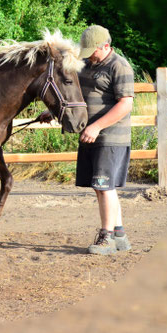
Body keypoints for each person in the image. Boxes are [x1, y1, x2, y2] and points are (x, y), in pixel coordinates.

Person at [39, 25, 134, 255]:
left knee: (104, 186)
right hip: (90, 136)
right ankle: (119, 234)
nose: (90, 55)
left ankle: (107, 238)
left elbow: (125, 104)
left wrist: (97, 126)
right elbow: (76, 96)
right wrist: (52, 113)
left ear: (106, 46)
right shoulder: (87, 65)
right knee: (102, 187)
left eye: (94, 51)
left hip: (110, 136)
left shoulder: (119, 66)